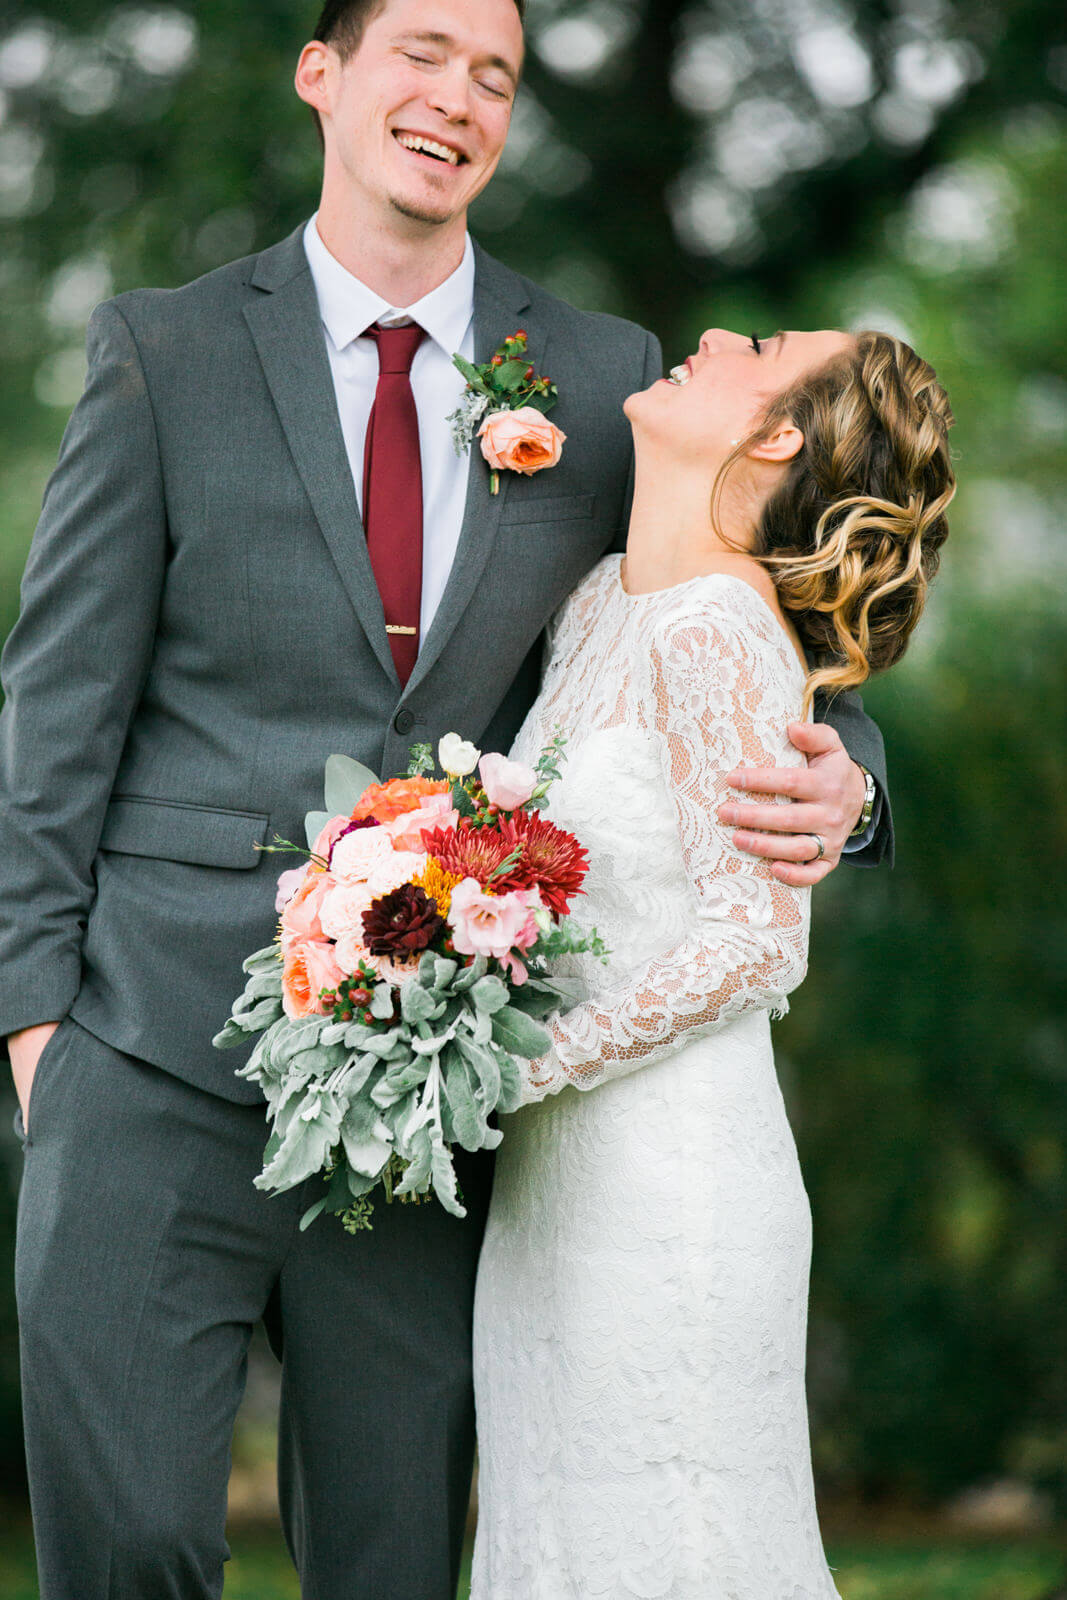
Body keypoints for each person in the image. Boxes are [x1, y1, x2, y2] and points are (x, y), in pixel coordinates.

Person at [1, 2, 891, 1595]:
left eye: (495, 74)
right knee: (123, 1543)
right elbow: (53, 711)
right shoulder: (167, 349)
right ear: (323, 72)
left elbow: (747, 619)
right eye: (421, 49)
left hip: (432, 1102)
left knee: (395, 1557)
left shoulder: (603, 375)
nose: (458, 96)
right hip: (141, 1048)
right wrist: (34, 1033)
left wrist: (851, 782)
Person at [471, 324, 954, 1598]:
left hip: (669, 1182)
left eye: (755, 346)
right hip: (550, 1190)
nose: (706, 338)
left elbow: (752, 947)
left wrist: (513, 1072)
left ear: (778, 432)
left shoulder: (720, 629)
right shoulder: (591, 607)